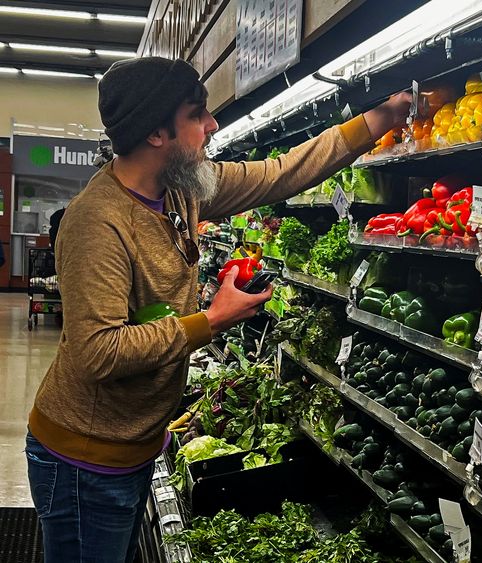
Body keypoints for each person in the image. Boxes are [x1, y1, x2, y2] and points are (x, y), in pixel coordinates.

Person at [24, 56, 410, 563]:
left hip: (135, 446)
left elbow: (278, 174)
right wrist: (213, 319)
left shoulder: (179, 191)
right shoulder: (96, 221)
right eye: (197, 114)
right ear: (157, 133)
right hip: (84, 460)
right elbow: (98, 352)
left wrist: (379, 119)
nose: (212, 125)